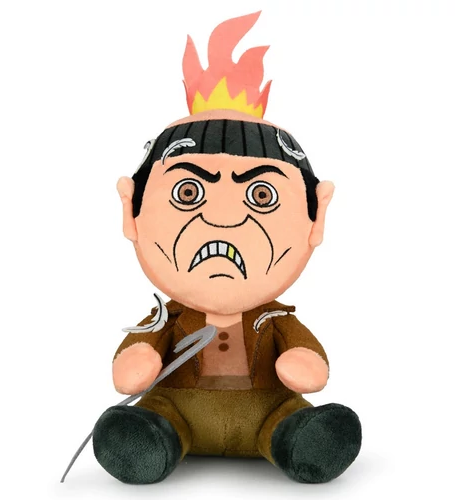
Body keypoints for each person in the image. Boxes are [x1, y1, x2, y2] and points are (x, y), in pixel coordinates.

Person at [92, 11, 361, 484]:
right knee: (151, 419)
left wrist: (302, 363)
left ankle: (296, 439)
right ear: (130, 213)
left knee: (292, 418)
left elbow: (308, 365)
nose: (223, 218)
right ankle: (152, 439)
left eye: (261, 195)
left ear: (316, 220)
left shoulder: (276, 320)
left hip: (269, 406)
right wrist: (139, 358)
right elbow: (135, 362)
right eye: (188, 192)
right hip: (174, 405)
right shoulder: (167, 319)